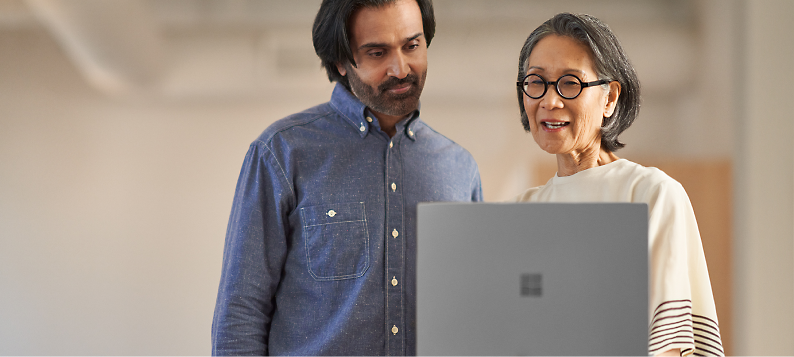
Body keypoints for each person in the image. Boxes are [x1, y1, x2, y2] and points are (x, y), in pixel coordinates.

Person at [211, 0, 483, 356]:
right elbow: (240, 314)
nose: (401, 68)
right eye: (377, 52)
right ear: (340, 61)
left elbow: (476, 310)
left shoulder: (460, 167)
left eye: (412, 45)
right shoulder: (282, 152)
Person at [513, 13, 724, 357]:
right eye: (536, 82)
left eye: (570, 83)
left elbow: (670, 347)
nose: (549, 101)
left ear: (609, 98)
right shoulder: (518, 212)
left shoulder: (650, 195)